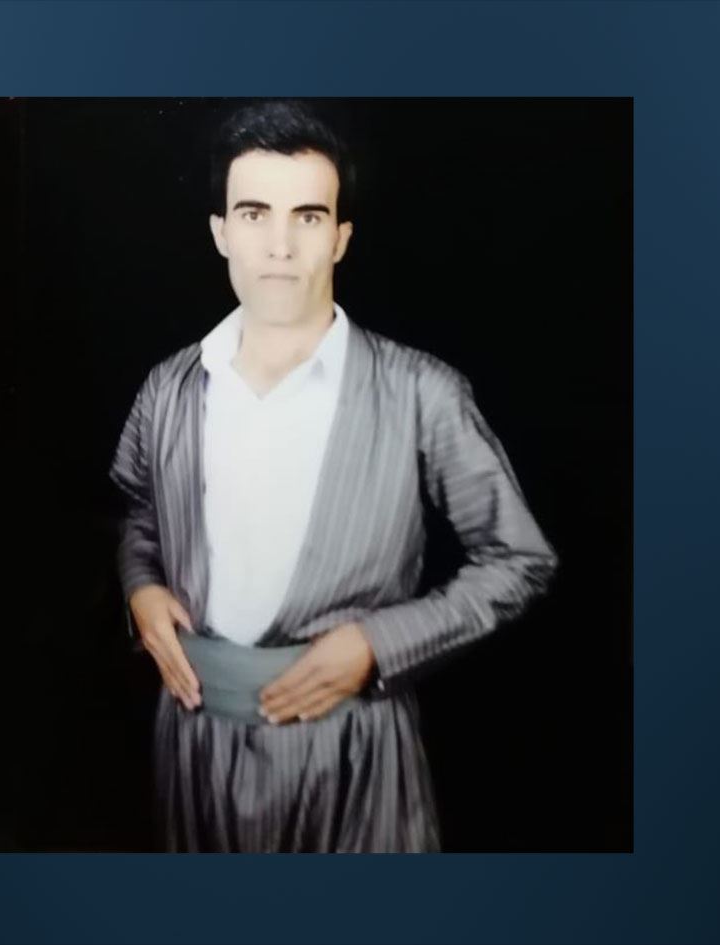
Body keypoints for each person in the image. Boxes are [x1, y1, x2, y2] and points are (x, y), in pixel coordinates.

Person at [109, 99, 557, 853]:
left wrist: (379, 644)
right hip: (193, 742)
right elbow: (140, 515)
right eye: (254, 214)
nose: (280, 245)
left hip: (353, 750)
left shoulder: (423, 390)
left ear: (341, 237)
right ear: (221, 232)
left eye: (308, 217)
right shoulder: (167, 387)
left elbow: (520, 559)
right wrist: (140, 588)